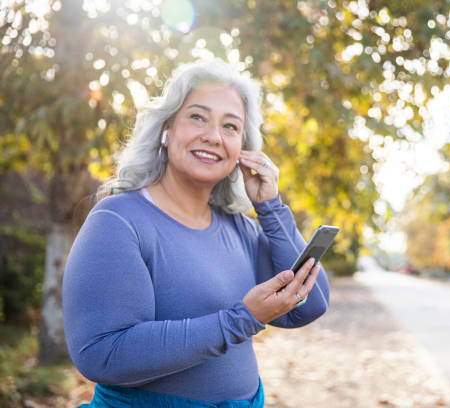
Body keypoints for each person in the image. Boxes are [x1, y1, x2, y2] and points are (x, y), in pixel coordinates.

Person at [62, 59, 330, 408]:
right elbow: (103, 354)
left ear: (242, 151)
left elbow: (307, 307)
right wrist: (242, 319)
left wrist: (271, 206)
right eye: (198, 117)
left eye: (231, 127)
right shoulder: (118, 220)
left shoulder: (240, 228)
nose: (214, 137)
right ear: (166, 129)